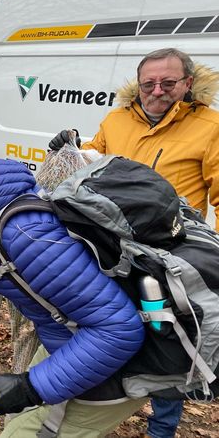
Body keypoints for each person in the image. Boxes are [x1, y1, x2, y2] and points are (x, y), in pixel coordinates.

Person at [0, 117, 148, 437]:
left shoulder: (26, 238)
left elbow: (120, 329)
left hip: (113, 365)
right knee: (19, 424)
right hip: (67, 337)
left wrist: (33, 388)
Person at [50, 48, 219, 438]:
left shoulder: (209, 127)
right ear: (138, 85)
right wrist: (70, 146)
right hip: (111, 250)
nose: (157, 91)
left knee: (167, 341)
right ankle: (100, 408)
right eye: (149, 83)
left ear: (188, 84)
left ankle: (161, 428)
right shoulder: (117, 118)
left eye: (168, 83)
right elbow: (92, 164)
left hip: (167, 259)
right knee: (111, 328)